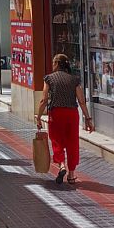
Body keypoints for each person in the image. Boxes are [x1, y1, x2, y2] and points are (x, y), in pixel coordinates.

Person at [35, 53, 94, 184]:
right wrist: (88, 118)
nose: (52, 65)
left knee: (57, 140)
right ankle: (71, 175)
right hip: (72, 114)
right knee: (72, 142)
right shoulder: (74, 80)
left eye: (53, 63)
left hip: (56, 113)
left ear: (57, 64)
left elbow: (44, 100)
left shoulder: (49, 78)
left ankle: (62, 165)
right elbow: (81, 101)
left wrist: (38, 117)